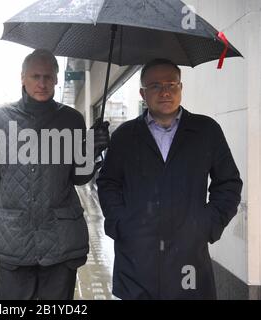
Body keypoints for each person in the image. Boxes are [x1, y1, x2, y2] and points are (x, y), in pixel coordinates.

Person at [0, 49, 110, 300]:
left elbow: (78, 177)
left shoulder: (71, 119)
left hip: (60, 244)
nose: (42, 83)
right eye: (35, 76)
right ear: (22, 78)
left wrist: (92, 150)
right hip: (14, 241)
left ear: (56, 79)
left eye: (48, 76)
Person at [96, 58, 243, 300]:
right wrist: (120, 222)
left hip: (189, 256)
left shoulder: (206, 131)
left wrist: (207, 224)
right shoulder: (125, 137)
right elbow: (108, 183)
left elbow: (228, 184)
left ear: (180, 88)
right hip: (136, 255)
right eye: (155, 86)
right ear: (143, 93)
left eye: (171, 84)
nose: (165, 92)